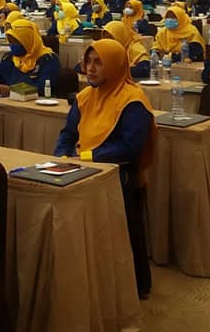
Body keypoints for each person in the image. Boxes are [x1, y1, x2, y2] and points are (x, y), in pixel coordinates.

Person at [54, 39, 156, 299]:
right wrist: (62, 156)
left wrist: (86, 157)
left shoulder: (133, 101)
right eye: (88, 61)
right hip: (82, 166)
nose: (90, 68)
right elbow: (67, 134)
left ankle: (132, 286)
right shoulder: (85, 97)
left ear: (114, 65)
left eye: (98, 62)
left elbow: (130, 148)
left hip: (119, 172)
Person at [0, 19, 60, 95]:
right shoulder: (8, 58)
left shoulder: (48, 59)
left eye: (16, 42)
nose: (12, 45)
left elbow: (43, 89)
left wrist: (11, 90)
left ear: (27, 40)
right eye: (10, 41)